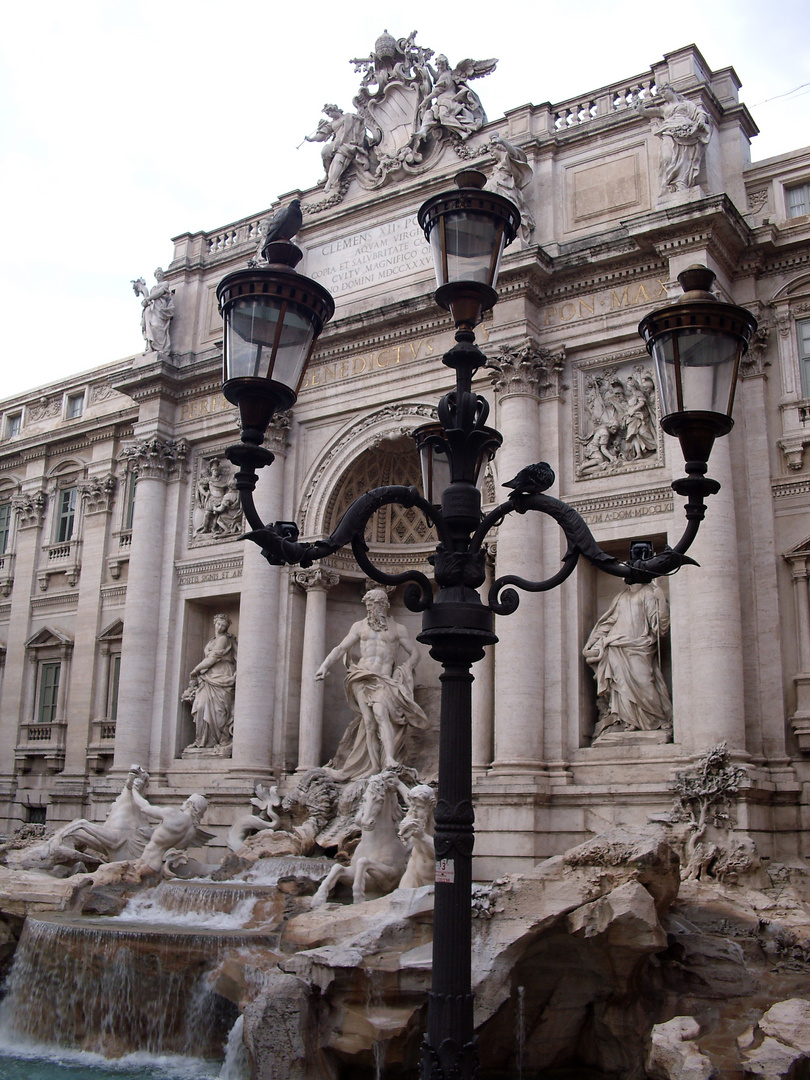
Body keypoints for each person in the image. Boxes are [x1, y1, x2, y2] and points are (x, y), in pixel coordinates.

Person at [314, 589, 429, 777]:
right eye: (368, 606)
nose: (370, 610)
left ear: (383, 605)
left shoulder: (397, 628)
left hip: (383, 680)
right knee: (369, 722)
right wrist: (324, 666)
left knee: (381, 713)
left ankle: (389, 758)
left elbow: (415, 653)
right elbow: (341, 648)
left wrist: (404, 670)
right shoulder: (359, 626)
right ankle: (374, 766)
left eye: (373, 606)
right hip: (361, 676)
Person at [583, 578, 672, 740]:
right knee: (620, 685)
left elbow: (660, 628)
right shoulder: (620, 597)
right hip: (616, 647)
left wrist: (661, 601)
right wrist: (591, 643)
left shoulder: (649, 594)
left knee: (645, 683)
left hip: (640, 646)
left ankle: (657, 719)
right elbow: (608, 623)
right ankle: (626, 720)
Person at [637, 84, 711, 194]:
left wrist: (701, 120)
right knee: (667, 157)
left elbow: (700, 113)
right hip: (669, 131)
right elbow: (645, 112)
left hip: (686, 131)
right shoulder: (663, 109)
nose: (663, 95)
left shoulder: (686, 104)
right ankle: (670, 184)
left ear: (671, 90)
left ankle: (681, 183)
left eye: (664, 92)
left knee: (684, 158)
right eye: (661, 94)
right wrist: (639, 106)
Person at [182, 614, 237, 749]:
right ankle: (202, 740)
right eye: (218, 624)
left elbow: (212, 659)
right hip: (209, 676)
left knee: (219, 711)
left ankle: (219, 739)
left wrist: (195, 670)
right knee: (201, 706)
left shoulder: (223, 639)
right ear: (214, 623)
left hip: (222, 674)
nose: (220, 627)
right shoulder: (212, 640)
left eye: (223, 625)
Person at [305, 104, 369, 193]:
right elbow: (322, 135)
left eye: (329, 112)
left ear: (335, 110)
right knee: (325, 152)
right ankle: (328, 174)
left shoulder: (350, 116)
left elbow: (359, 126)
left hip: (348, 142)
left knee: (339, 158)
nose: (329, 115)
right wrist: (311, 139)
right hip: (336, 143)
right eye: (327, 114)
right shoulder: (332, 123)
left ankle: (330, 182)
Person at [139, 794, 209, 872]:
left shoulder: (172, 815)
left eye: (186, 800)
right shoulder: (192, 832)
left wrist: (131, 789)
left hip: (146, 864)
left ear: (189, 804)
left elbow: (144, 808)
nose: (183, 802)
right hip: (159, 868)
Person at [487, 134, 535, 239]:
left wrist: (502, 142)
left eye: (493, 151)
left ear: (499, 148)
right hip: (498, 188)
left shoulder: (506, 159)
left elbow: (514, 153)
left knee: (513, 210)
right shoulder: (498, 165)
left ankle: (518, 236)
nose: (492, 154)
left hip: (506, 188)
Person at [134, 268, 174, 356]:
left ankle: (160, 348)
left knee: (157, 325)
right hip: (151, 308)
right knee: (149, 326)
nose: (159, 275)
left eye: (160, 273)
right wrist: (142, 288)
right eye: (157, 274)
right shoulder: (153, 288)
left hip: (160, 308)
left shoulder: (165, 283)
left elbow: (160, 292)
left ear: (163, 275)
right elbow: (148, 296)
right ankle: (150, 347)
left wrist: (148, 298)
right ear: (155, 276)